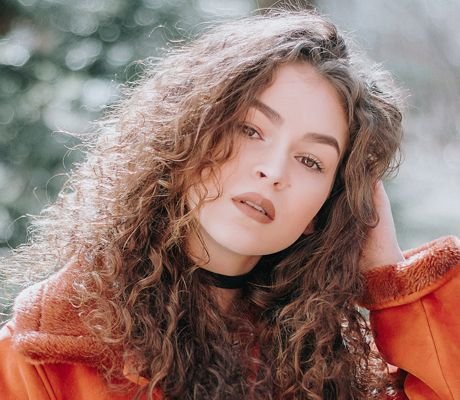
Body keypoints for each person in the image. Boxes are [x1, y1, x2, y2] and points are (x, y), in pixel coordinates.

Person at [0, 8, 459, 400]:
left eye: (310, 161)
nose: (274, 171)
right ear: (185, 134)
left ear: (324, 211)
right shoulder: (42, 360)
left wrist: (393, 279)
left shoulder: (328, 372)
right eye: (251, 130)